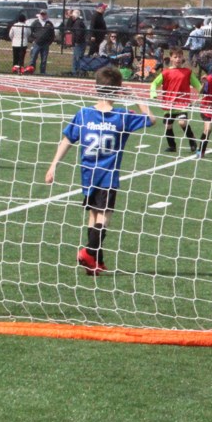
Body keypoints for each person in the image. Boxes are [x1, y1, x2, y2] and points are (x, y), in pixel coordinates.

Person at [44, 65, 156, 276]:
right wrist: (135, 96)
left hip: (88, 175)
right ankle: (89, 252)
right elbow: (151, 120)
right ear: (119, 90)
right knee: (104, 216)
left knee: (93, 214)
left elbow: (67, 140)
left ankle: (96, 261)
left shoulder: (84, 113)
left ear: (96, 88)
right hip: (108, 176)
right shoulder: (122, 116)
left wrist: (53, 165)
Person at [150, 47, 202, 153]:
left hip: (182, 103)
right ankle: (172, 146)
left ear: (183, 57)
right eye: (175, 57)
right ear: (171, 58)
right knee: (168, 126)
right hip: (169, 104)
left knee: (182, 123)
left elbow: (197, 84)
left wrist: (202, 94)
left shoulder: (187, 72)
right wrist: (153, 93)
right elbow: (154, 83)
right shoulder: (166, 72)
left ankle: (192, 142)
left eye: (180, 56)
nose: (178, 59)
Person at [27, 10, 55, 75]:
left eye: (44, 14)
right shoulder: (36, 22)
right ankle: (31, 70)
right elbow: (30, 31)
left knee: (44, 59)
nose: (43, 15)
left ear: (46, 15)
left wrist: (49, 42)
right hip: (37, 43)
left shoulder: (49, 23)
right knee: (33, 57)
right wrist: (33, 40)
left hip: (45, 44)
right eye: (42, 14)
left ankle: (42, 72)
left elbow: (52, 35)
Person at [65, 9, 88, 76]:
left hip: (79, 43)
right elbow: (68, 26)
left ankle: (79, 71)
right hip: (79, 43)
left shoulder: (77, 23)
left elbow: (79, 33)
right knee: (75, 58)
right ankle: (75, 72)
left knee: (78, 58)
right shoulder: (77, 22)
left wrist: (76, 41)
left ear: (74, 16)